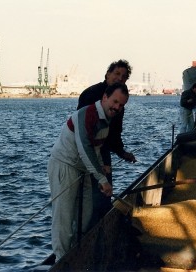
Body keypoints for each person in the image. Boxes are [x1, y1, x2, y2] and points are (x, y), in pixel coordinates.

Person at [48, 83, 130, 260]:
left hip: (82, 169)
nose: (117, 107)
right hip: (64, 165)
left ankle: (76, 252)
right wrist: (102, 179)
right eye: (115, 101)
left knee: (86, 216)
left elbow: (96, 149)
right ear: (104, 98)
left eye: (121, 105)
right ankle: (62, 260)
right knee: (64, 218)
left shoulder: (106, 120)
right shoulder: (87, 114)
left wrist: (101, 167)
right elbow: (85, 148)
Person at [77, 59, 136, 226]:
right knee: (85, 197)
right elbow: (82, 131)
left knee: (103, 195)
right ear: (108, 74)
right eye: (116, 74)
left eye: (124, 76)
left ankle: (100, 226)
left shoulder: (120, 102)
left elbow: (115, 132)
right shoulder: (90, 94)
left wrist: (121, 152)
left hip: (104, 150)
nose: (119, 78)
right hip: (85, 149)